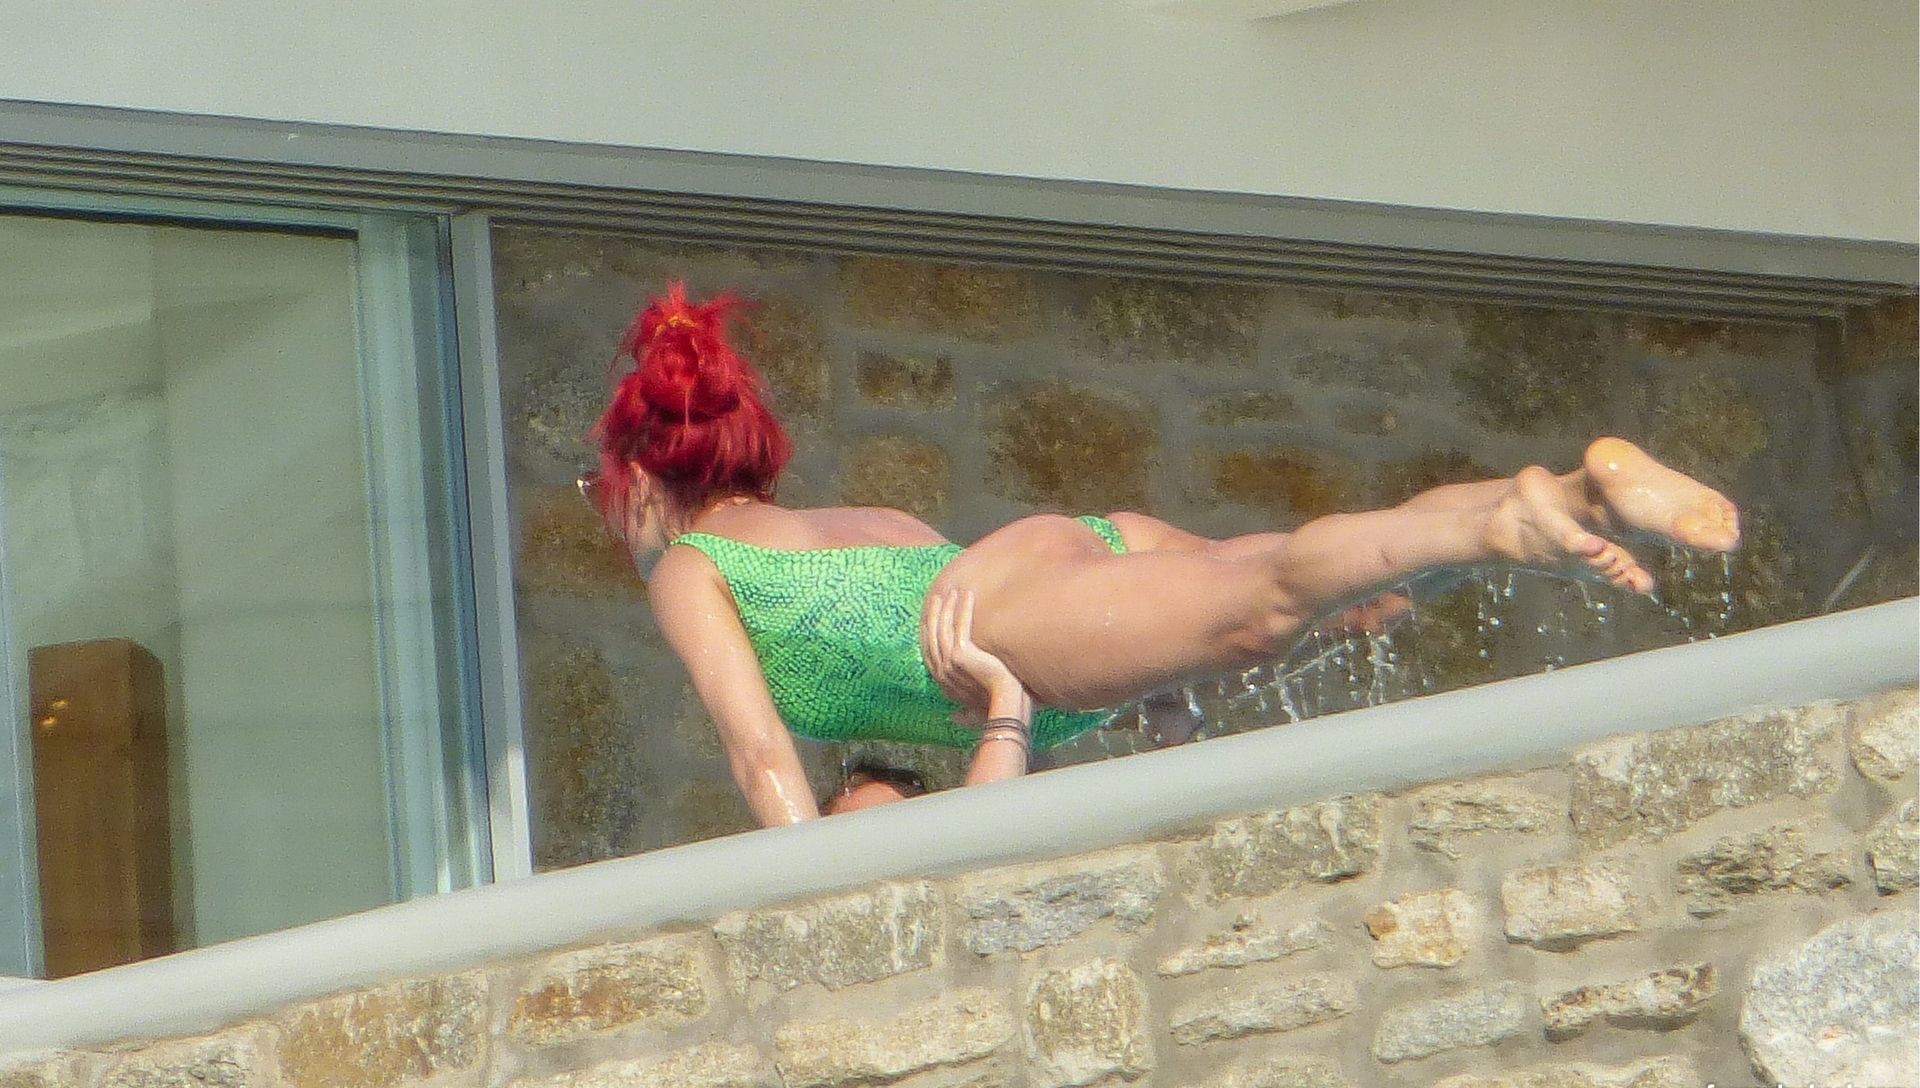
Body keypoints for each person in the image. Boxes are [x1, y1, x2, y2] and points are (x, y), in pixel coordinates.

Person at [583, 284, 1741, 827]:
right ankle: (1568, 497)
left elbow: (758, 754)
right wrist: (1124, 668)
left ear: (641, 483)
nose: (605, 512)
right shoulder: (852, 520)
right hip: (1051, 567)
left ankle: (1512, 522)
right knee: (1330, 591)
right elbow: (973, 586)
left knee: (1270, 600)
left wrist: (803, 902)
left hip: (1007, 618)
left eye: (603, 492)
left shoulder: (695, 568)